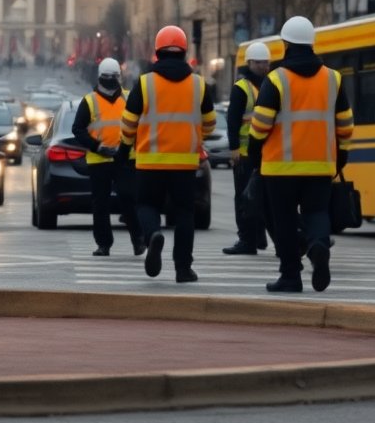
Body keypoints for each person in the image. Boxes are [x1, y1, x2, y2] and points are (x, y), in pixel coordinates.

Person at [249, 17, 354, 293]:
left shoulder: (276, 79)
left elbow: (260, 125)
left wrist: (254, 154)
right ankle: (318, 245)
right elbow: (346, 125)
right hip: (320, 165)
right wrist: (341, 155)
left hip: (280, 168)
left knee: (284, 220)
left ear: (286, 44)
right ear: (311, 44)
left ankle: (291, 276)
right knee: (317, 212)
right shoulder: (333, 79)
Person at [119, 26, 217, 283]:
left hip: (149, 162)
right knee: (185, 213)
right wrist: (195, 138)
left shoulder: (145, 83)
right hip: (185, 163)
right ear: (184, 52)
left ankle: (153, 235)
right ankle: (183, 269)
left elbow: (128, 123)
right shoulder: (198, 84)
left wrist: (126, 146)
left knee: (146, 205)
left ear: (157, 52)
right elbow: (210, 122)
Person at [72, 57, 143, 257]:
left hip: (125, 158)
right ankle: (104, 244)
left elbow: (140, 125)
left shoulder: (129, 98)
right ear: (100, 77)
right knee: (100, 204)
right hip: (99, 160)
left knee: (129, 199)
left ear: (119, 77)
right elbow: (78, 129)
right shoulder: (89, 101)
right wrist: (97, 146)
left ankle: (138, 240)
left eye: (113, 77)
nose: (110, 81)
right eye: (107, 77)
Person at [223, 41, 272, 256]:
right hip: (244, 155)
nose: (262, 66)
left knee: (264, 199)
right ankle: (248, 239)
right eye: (258, 62)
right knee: (245, 198)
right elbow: (233, 121)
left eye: (265, 62)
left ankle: (257, 238)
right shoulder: (242, 88)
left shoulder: (273, 83)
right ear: (249, 63)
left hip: (268, 154)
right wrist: (234, 148)